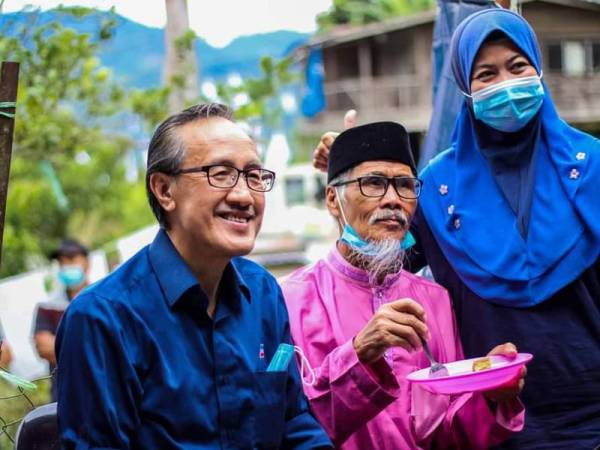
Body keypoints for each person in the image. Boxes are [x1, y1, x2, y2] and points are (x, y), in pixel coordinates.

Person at [312, 10, 600, 449]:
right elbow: (380, 265)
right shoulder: (437, 189)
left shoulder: (593, 166)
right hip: (492, 420)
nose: (505, 83)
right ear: (465, 89)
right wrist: (354, 178)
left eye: (517, 66)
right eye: (485, 74)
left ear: (538, 69)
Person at [55, 103, 332, 450]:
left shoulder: (263, 293)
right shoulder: (103, 318)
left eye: (254, 176)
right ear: (164, 190)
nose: (245, 196)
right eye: (220, 173)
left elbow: (293, 421)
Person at [283, 121, 526, 449]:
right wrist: (359, 355)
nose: (393, 199)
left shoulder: (434, 299)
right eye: (372, 183)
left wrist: (490, 396)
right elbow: (286, 424)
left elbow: (446, 432)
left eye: (405, 185)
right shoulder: (290, 299)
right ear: (332, 199)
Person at [32, 238, 90, 401]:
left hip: (103, 393)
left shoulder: (104, 298)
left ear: (87, 262)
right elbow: (45, 347)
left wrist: (61, 345)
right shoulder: (48, 306)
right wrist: (91, 345)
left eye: (71, 260)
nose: (66, 266)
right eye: (62, 262)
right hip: (63, 397)